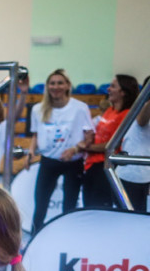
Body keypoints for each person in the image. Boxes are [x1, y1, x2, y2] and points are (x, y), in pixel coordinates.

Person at [25, 69, 92, 232]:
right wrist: (31, 151)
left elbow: (89, 137)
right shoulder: (37, 109)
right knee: (40, 204)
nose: (56, 86)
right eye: (52, 83)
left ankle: (66, 238)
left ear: (68, 85)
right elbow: (35, 135)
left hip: (73, 162)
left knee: (69, 206)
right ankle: (35, 238)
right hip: (48, 162)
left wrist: (75, 149)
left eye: (60, 83)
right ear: (47, 86)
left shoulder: (80, 108)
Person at [78, 74, 139, 209]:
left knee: (100, 209)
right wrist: (88, 137)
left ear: (123, 92)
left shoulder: (127, 114)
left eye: (113, 86)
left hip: (106, 167)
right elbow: (99, 133)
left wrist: (87, 147)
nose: (108, 89)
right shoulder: (110, 110)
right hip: (92, 165)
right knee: (89, 207)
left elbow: (113, 144)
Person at [118, 77, 150, 212]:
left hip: (142, 175)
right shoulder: (141, 108)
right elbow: (141, 121)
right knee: (129, 218)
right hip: (131, 175)